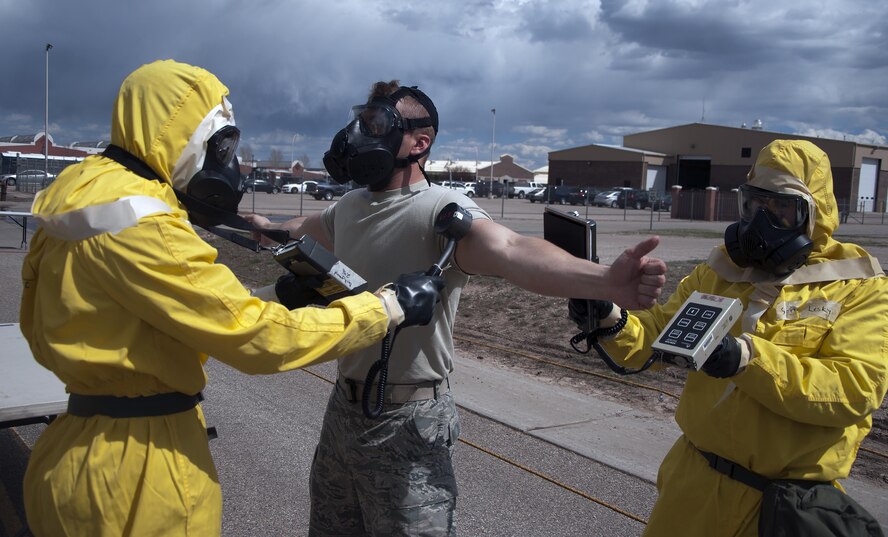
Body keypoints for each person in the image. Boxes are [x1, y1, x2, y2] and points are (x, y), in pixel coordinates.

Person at [19, 61, 444, 537]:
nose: (225, 161)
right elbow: (257, 340)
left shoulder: (83, 194)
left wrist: (277, 294)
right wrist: (386, 307)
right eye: (219, 144)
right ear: (173, 132)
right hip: (137, 474)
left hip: (75, 448)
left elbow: (172, 312)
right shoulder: (144, 221)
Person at [245, 80, 668, 536]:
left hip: (409, 421)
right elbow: (305, 228)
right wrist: (267, 226)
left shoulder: (442, 209)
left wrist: (605, 281)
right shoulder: (350, 206)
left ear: (420, 142)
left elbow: (512, 251)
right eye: (361, 122)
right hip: (344, 410)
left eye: (377, 123)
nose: (360, 134)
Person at [573, 139, 887, 536]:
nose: (761, 222)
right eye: (756, 205)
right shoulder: (722, 271)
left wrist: (746, 359)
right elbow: (656, 338)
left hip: (780, 507)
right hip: (693, 482)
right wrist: (608, 317)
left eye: (781, 209)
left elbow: (854, 389)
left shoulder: (856, 285)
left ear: (814, 214)